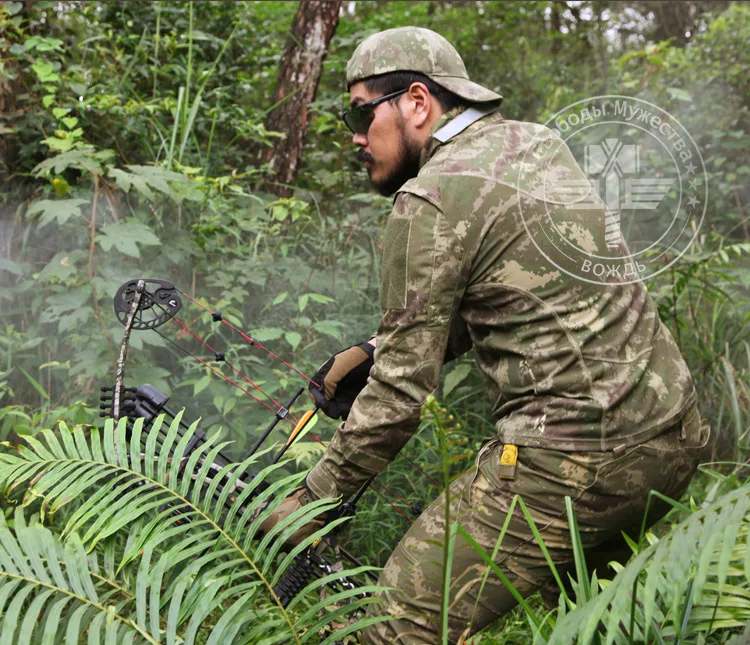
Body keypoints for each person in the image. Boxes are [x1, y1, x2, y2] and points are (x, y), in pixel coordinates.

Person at [260, 26, 708, 645]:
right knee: (579, 623)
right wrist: (374, 350)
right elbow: (521, 290)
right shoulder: (538, 144)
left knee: (389, 632)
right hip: (675, 437)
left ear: (417, 102)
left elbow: (398, 399)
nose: (355, 138)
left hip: (573, 462)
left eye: (360, 114)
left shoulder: (428, 200)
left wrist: (310, 503)